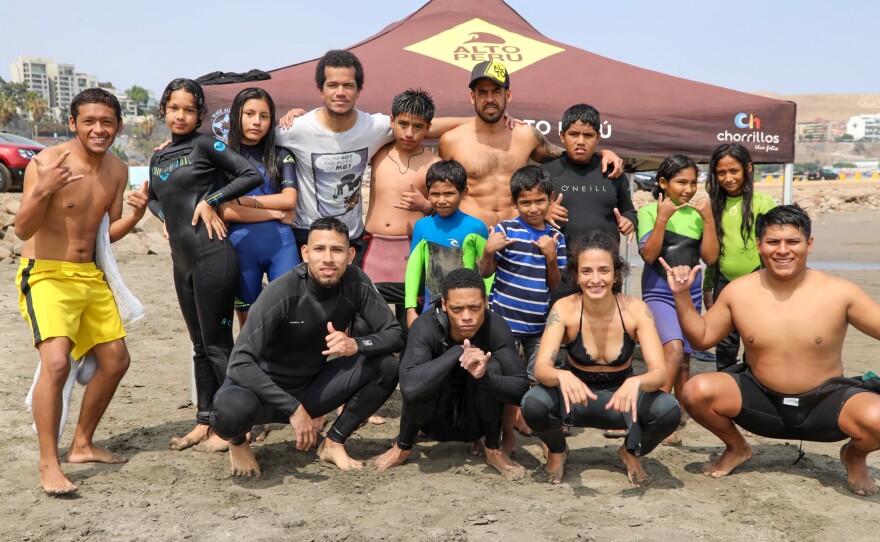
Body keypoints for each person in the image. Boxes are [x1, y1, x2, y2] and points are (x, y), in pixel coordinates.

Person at [663, 204, 880, 496]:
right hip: (760, 401)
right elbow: (702, 338)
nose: (782, 250)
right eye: (773, 242)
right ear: (759, 245)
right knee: (695, 390)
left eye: (792, 241)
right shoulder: (739, 292)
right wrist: (681, 297)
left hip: (826, 404)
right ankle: (737, 447)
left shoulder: (840, 292)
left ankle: (854, 456)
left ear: (809, 244)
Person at [14, 88, 149, 494]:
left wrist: (137, 214)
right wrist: (42, 189)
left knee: (116, 360)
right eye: (89, 121)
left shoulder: (118, 170)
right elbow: (21, 229)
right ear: (72, 123)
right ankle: (48, 463)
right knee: (55, 364)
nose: (98, 129)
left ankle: (83, 445)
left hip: (91, 276)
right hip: (47, 275)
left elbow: (107, 235)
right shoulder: (46, 162)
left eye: (107, 122)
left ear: (118, 126)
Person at [210, 217, 403, 477]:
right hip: (261, 395)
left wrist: (355, 344)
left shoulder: (355, 282)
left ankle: (334, 442)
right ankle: (238, 444)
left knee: (388, 366)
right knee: (228, 411)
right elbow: (239, 364)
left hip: (311, 389)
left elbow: (395, 334)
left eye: (337, 250)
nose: (328, 258)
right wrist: (293, 408)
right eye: (319, 249)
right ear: (305, 253)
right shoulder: (283, 292)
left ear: (350, 254)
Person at [148, 78, 263, 452]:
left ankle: (236, 429)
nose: (180, 115)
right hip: (181, 262)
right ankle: (205, 421)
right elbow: (153, 198)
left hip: (213, 255)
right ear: (164, 110)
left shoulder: (204, 144)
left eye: (189, 109)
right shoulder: (158, 156)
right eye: (174, 108)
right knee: (199, 345)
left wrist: (211, 200)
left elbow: (251, 174)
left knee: (218, 347)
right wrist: (163, 215)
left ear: (199, 114)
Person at [275, 50, 471, 262]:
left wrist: (480, 122)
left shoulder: (374, 127)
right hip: (308, 232)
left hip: (353, 236)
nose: (340, 92)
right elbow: (254, 136)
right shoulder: (296, 129)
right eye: (332, 85)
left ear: (359, 90)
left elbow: (420, 125)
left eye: (348, 85)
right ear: (320, 90)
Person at [521, 231, 681, 487]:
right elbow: (541, 368)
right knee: (532, 403)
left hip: (621, 399)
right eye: (586, 271)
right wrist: (562, 375)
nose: (595, 279)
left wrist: (637, 383)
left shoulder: (636, 310)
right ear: (576, 275)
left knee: (669, 411)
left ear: (616, 274)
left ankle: (631, 451)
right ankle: (558, 450)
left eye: (604, 270)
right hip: (575, 398)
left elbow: (659, 373)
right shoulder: (565, 308)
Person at [373, 268, 529, 479]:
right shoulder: (425, 326)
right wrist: (457, 352)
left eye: (475, 307)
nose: (467, 317)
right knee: (422, 376)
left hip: (475, 426)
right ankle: (403, 446)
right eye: (457, 308)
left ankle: (493, 449)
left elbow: (520, 390)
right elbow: (409, 388)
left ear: (485, 301)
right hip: (433, 424)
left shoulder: (496, 327)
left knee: (491, 367)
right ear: (444, 305)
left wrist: (484, 376)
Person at [440, 63, 624, 228]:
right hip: (470, 236)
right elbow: (439, 188)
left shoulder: (526, 135)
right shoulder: (452, 140)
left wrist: (601, 153)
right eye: (482, 92)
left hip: (517, 238)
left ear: (508, 95)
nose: (489, 99)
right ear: (473, 97)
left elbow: (567, 154)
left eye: (496, 91)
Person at [478, 165, 566, 453]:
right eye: (525, 202)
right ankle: (508, 435)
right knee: (508, 382)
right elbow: (485, 271)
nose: (533, 208)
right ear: (515, 202)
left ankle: (543, 435)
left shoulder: (556, 238)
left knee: (540, 378)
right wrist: (489, 250)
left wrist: (550, 257)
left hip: (539, 324)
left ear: (551, 199)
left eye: (540, 201)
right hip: (504, 321)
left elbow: (554, 285)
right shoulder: (505, 230)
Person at [636, 155, 718, 434]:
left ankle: (679, 411)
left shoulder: (700, 214)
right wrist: (662, 219)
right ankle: (651, 413)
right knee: (671, 348)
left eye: (694, 182)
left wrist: (708, 219)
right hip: (659, 293)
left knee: (684, 358)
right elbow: (648, 255)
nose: (689, 188)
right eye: (681, 182)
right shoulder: (649, 211)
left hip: (691, 295)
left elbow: (710, 256)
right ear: (663, 183)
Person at [219, 87, 299, 328]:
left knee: (289, 317)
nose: (257, 122)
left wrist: (243, 201)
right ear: (236, 116)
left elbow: (289, 200)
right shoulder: (221, 156)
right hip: (240, 247)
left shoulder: (281, 154)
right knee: (248, 325)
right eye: (250, 114)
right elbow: (225, 211)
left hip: (282, 245)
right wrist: (273, 212)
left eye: (264, 116)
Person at [362, 89, 439, 330]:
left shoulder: (434, 164)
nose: (409, 133)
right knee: (369, 324)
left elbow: (448, 209)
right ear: (392, 121)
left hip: (412, 249)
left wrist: (426, 205)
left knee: (412, 326)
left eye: (417, 126)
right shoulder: (375, 152)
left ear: (428, 128)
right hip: (373, 249)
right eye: (403, 124)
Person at [543, 104, 637, 299]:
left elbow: (629, 210)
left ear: (598, 138)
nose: (580, 141)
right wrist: (544, 211)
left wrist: (630, 222)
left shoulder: (612, 172)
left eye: (588, 135)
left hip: (604, 272)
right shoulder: (547, 172)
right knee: (564, 326)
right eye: (574, 134)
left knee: (605, 327)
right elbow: (526, 209)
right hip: (561, 271)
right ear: (562, 136)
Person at [702, 143, 776, 371]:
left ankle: (754, 386)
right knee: (725, 343)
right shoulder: (712, 205)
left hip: (758, 278)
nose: (728, 178)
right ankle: (726, 384)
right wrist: (708, 285)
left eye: (734, 171)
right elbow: (712, 252)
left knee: (756, 336)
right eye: (721, 172)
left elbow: (772, 245)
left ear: (748, 168)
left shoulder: (763, 202)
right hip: (723, 281)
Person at [404, 160, 487, 327]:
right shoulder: (422, 227)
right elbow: (413, 268)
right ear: (427, 193)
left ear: (463, 193)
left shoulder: (476, 227)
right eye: (435, 194)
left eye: (449, 193)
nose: (441, 200)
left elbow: (488, 270)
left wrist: (485, 302)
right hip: (430, 308)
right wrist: (410, 308)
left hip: (466, 309)